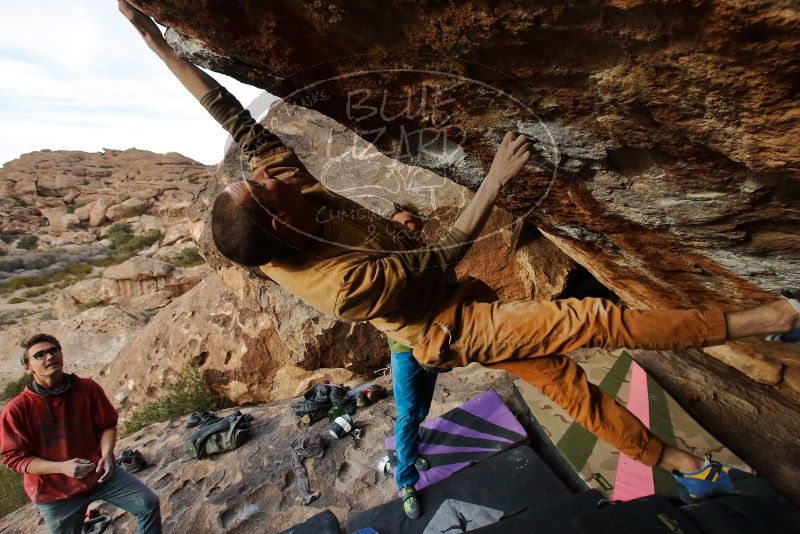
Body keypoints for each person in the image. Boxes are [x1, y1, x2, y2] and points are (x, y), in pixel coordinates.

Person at [120, 1, 800, 508]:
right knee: (599, 320)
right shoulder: (334, 284)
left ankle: (681, 462)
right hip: (452, 328)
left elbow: (235, 117)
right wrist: (495, 184)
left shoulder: (283, 197)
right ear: (278, 224)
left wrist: (158, 49)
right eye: (259, 181)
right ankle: (769, 313)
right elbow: (434, 262)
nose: (264, 167)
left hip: (458, 300)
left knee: (569, 386)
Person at [0, 334, 162, 534]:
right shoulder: (17, 409)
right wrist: (61, 467)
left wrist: (106, 455)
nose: (49, 357)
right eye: (39, 355)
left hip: (100, 474)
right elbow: (15, 459)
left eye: (53, 351)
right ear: (28, 367)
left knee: (147, 503)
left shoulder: (87, 388)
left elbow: (107, 425)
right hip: (56, 493)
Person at [387, 206, 439, 519]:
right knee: (407, 413)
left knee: (421, 410)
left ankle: (412, 450)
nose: (409, 229)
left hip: (432, 345)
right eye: (401, 226)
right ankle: (406, 482)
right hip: (404, 349)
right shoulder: (387, 264)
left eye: (412, 223)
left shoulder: (432, 259)